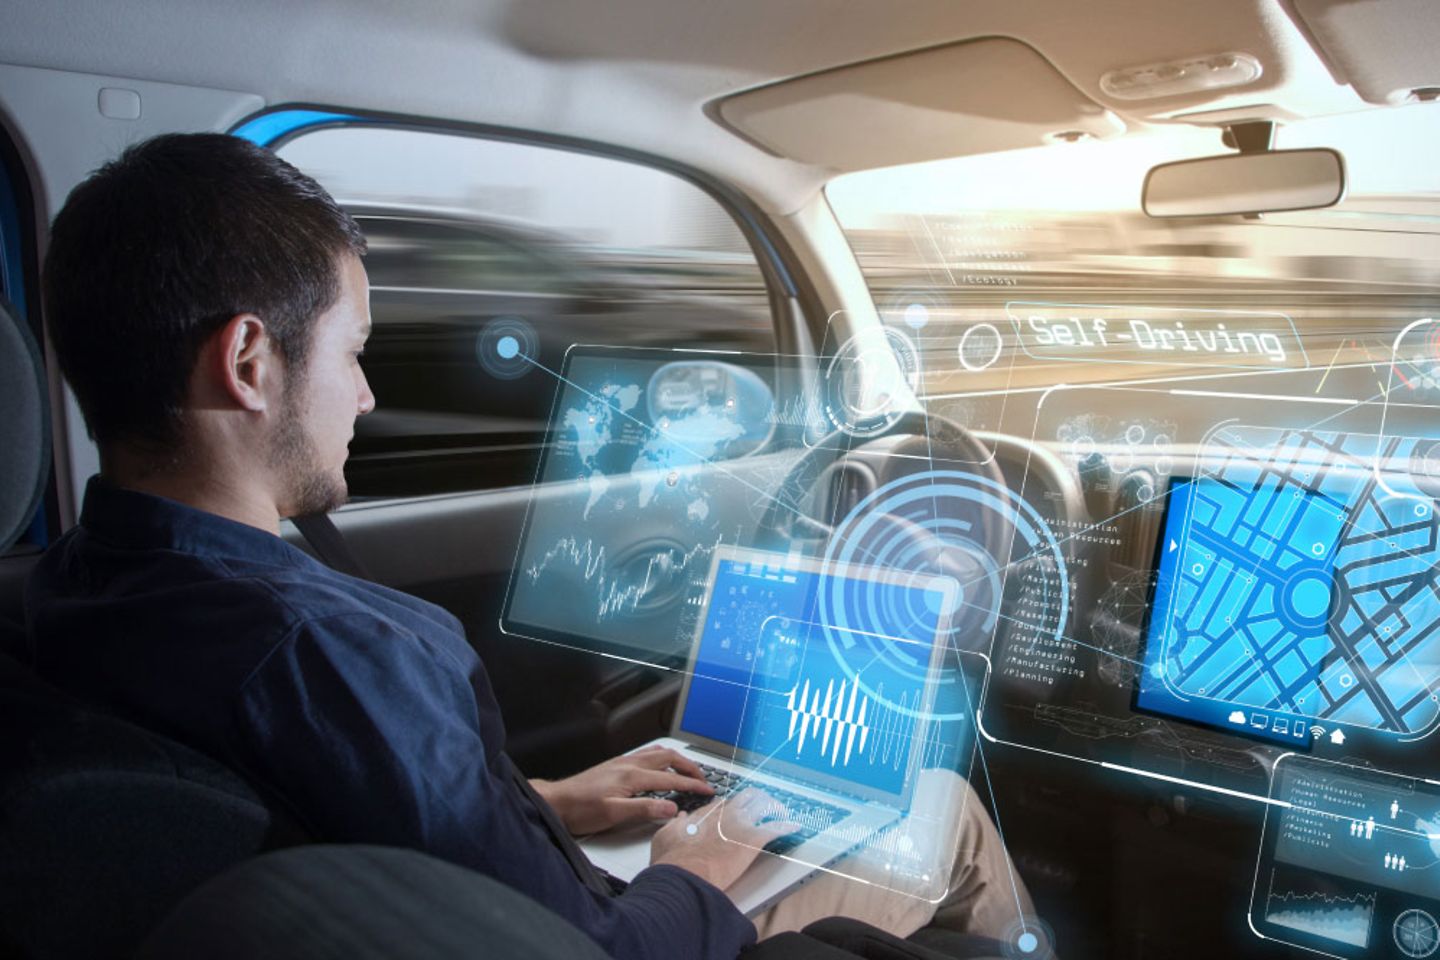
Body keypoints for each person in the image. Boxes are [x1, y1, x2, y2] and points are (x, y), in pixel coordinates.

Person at [25, 133, 1032, 959]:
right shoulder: (344, 652)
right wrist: (699, 867)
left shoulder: (55, 597)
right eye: (354, 352)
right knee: (942, 803)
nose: (368, 396)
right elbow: (595, 950)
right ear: (249, 362)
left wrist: (538, 801)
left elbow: (314, 809)